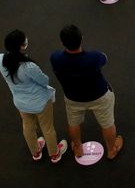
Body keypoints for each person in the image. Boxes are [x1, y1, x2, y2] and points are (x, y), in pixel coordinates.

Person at [50, 25, 124, 161]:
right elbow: (104, 58)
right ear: (81, 39)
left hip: (73, 98)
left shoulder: (55, 58)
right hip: (99, 96)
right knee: (107, 123)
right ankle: (112, 150)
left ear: (62, 42)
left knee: (73, 123)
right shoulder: (94, 57)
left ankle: (78, 148)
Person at [0, 30, 67, 163]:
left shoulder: (0, 59)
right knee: (47, 128)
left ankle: (35, 152)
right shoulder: (28, 66)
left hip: (20, 102)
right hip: (40, 102)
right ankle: (54, 154)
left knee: (28, 126)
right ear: (22, 46)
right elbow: (44, 80)